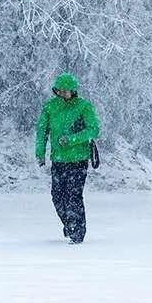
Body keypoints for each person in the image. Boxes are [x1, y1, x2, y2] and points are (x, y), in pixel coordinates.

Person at [35, 72, 100, 244]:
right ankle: (70, 224)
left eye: (66, 91)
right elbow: (42, 131)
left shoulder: (83, 107)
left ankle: (77, 233)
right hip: (58, 160)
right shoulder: (49, 107)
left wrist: (71, 140)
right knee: (57, 196)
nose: (63, 93)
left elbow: (93, 129)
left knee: (73, 196)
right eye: (60, 90)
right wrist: (40, 153)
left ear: (74, 90)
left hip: (79, 159)